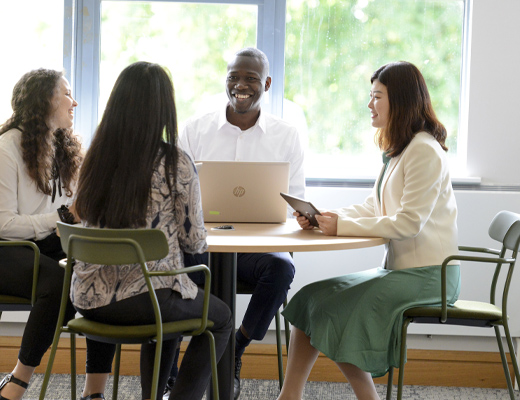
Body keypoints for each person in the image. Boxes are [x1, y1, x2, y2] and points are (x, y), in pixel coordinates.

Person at [276, 61, 461, 400]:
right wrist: (325, 219)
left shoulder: (424, 150)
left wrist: (340, 226)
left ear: (401, 101)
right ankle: (289, 396)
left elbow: (408, 223)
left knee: (332, 312)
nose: (369, 104)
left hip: (430, 277)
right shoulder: (400, 150)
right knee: (309, 301)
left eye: (377, 96)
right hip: (401, 272)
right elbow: (375, 207)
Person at [71, 61, 233, 400]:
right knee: (219, 317)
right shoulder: (174, 163)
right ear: (163, 109)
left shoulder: (95, 159)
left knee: (177, 291)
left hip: (88, 299)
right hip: (146, 301)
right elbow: (194, 241)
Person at [171, 47, 305, 400]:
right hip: (201, 249)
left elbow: (293, 203)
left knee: (282, 267)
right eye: (233, 77)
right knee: (163, 269)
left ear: (268, 84)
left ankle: (235, 349)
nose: (240, 85)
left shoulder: (286, 135)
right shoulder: (196, 130)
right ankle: (173, 377)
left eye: (251, 79)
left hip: (254, 252)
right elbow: (175, 197)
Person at [0, 68, 83, 400]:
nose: (73, 103)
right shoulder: (5, 150)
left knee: (96, 272)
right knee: (62, 284)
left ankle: (94, 390)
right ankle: (17, 382)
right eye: (66, 94)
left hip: (37, 249)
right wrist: (62, 216)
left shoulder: (60, 146)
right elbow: (5, 225)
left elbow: (68, 211)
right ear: (44, 101)